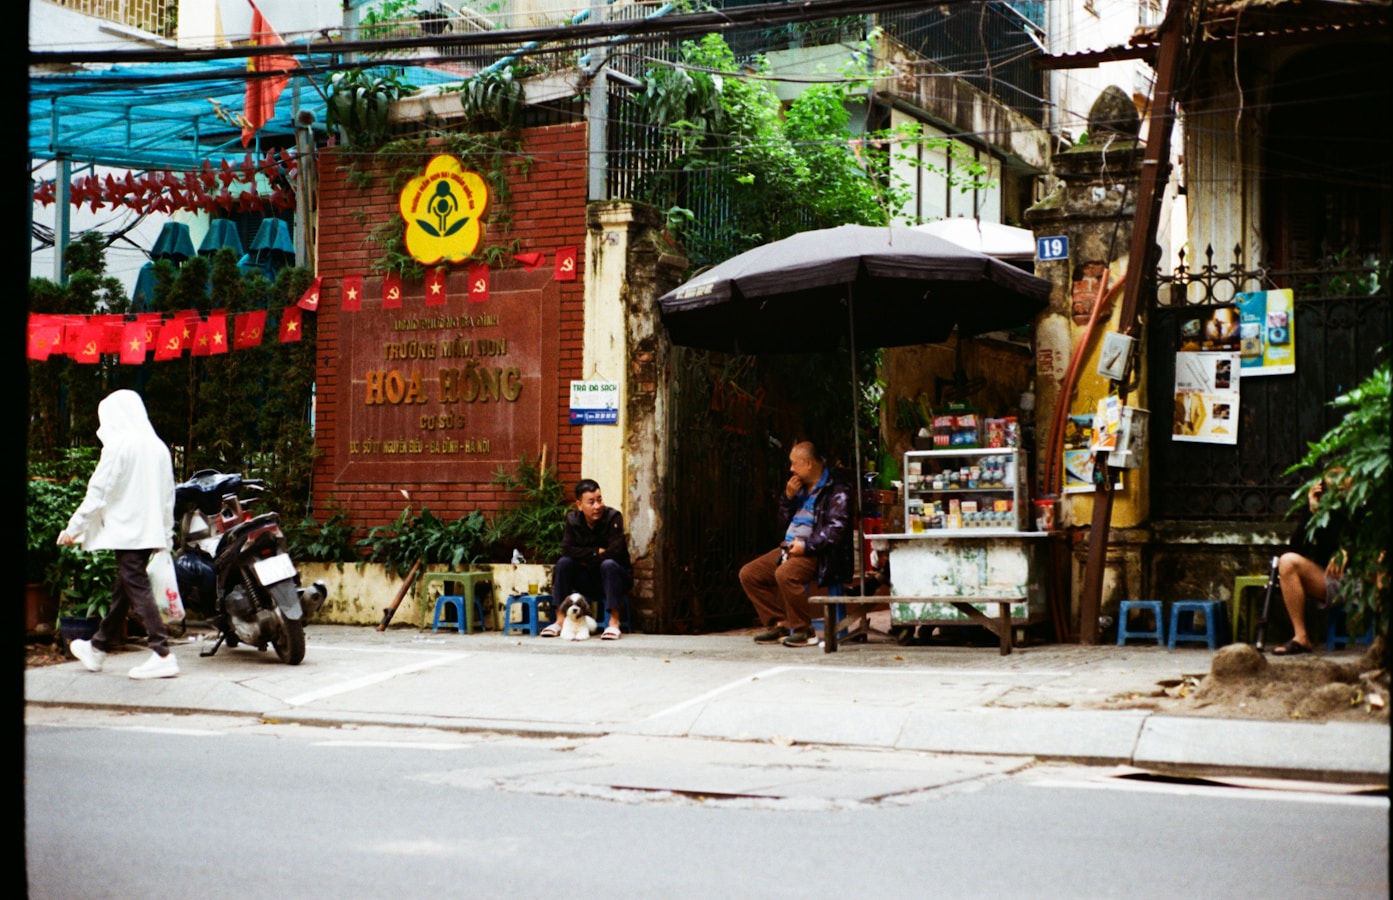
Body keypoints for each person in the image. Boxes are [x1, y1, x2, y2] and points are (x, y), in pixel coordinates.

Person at [60, 390, 180, 679]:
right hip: (149, 532)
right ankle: (98, 648)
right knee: (124, 589)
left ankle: (162, 652)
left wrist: (74, 529)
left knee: (135, 586)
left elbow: (98, 492)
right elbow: (168, 497)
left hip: (127, 531)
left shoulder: (120, 446)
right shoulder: (158, 447)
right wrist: (166, 536)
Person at [739, 440, 854, 648]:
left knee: (785, 574)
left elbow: (835, 530)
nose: (791, 469)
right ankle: (780, 624)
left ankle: (804, 630)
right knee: (749, 574)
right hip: (789, 546)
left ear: (808, 463)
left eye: (794, 463)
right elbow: (782, 523)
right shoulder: (797, 486)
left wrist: (806, 546)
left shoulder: (837, 488)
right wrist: (788, 498)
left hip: (818, 552)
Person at [544, 478, 632, 640]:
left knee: (609, 564)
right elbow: (567, 549)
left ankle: (614, 623)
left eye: (599, 500)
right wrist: (595, 552)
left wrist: (586, 558)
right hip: (587, 578)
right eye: (591, 502)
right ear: (579, 505)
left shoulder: (613, 517)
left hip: (614, 579)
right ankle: (560, 621)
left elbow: (615, 552)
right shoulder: (572, 520)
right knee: (564, 563)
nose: (597, 506)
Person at [1271, 473, 1348, 655]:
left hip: (1368, 579)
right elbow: (1297, 549)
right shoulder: (1322, 507)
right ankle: (1301, 637)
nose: (1338, 485)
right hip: (1332, 580)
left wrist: (1349, 552)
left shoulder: (1366, 503)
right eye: (1333, 480)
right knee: (1287, 561)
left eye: (1342, 477)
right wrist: (1313, 513)